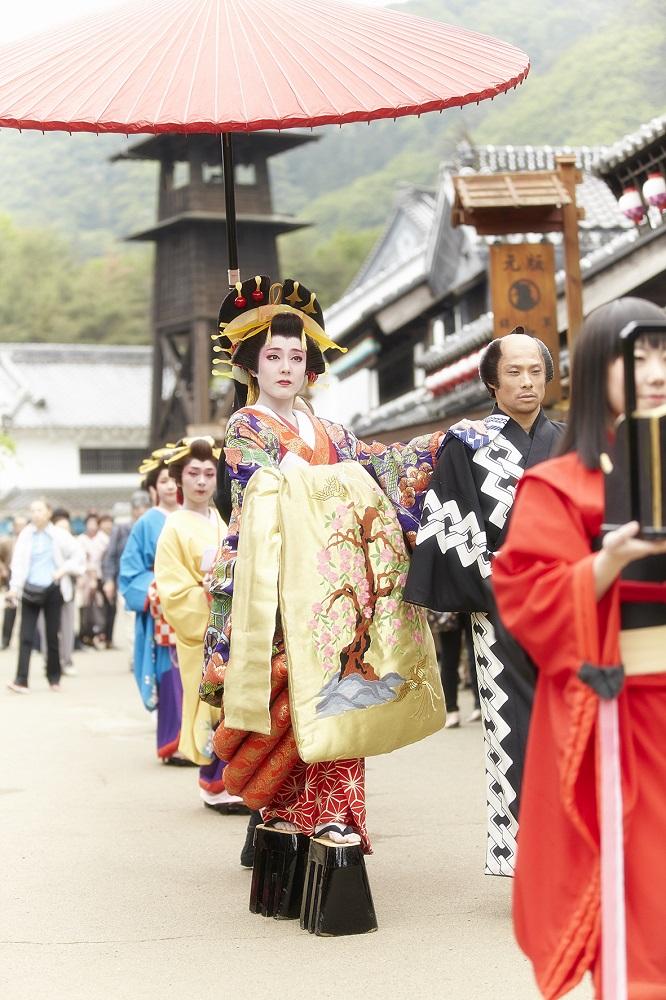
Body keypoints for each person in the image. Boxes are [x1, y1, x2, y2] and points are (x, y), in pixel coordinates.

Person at [200, 275, 446, 863]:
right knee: (293, 696)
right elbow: (263, 494)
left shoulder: (331, 431)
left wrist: (443, 443)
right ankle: (285, 811)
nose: (285, 366)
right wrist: (337, 483)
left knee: (342, 691)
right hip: (281, 589)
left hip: (335, 590)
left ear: (309, 366)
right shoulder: (246, 428)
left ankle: (335, 813)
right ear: (252, 367)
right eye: (272, 356)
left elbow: (385, 468)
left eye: (295, 356)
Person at [492, 298, 666, 998]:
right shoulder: (558, 483)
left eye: (665, 353)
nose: (657, 371)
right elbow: (526, 595)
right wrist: (605, 564)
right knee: (640, 887)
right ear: (601, 366)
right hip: (620, 712)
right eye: (639, 355)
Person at [404, 330, 565, 876]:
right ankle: (527, 858)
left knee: (575, 725)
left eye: (535, 371)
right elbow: (453, 526)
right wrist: (504, 584)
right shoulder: (467, 444)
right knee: (512, 728)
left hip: (570, 608)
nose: (526, 381)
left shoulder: (569, 443)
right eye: (514, 372)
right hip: (502, 609)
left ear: (548, 376)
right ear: (491, 381)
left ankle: (576, 854)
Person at [154, 437, 239, 809]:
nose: (202, 481)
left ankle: (230, 780)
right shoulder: (173, 527)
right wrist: (205, 591)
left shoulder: (221, 522)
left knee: (232, 703)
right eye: (193, 473)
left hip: (228, 626)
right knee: (209, 704)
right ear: (179, 479)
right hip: (201, 631)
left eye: (208, 473)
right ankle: (211, 782)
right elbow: (171, 589)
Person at [119, 463, 183, 761]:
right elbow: (131, 571)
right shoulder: (146, 523)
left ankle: (203, 743)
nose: (171, 486)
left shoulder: (198, 518)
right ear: (153, 488)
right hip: (165, 607)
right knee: (171, 674)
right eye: (164, 481)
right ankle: (175, 742)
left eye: (174, 479)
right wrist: (156, 588)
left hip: (197, 602)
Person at [7, 498, 83, 693]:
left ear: (49, 512)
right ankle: (21, 679)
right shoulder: (26, 535)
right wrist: (14, 587)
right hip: (30, 590)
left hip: (52, 589)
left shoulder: (58, 534)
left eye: (39, 510)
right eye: (32, 511)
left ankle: (54, 677)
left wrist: (63, 570)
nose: (35, 514)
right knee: (26, 636)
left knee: (51, 636)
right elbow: (18, 563)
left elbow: (78, 555)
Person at [102, 492, 150, 650]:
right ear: (132, 509)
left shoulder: (153, 526)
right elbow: (110, 556)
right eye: (137, 507)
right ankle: (134, 654)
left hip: (150, 579)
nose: (141, 511)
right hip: (126, 581)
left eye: (144, 507)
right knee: (130, 617)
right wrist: (108, 580)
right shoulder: (122, 529)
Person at [77, 513, 108, 648]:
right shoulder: (81, 539)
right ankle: (86, 635)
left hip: (102, 576)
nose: (92, 525)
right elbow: (80, 559)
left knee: (101, 606)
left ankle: (101, 634)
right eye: (89, 523)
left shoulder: (103, 539)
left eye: (94, 523)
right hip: (85, 578)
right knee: (85, 607)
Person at [1, 515, 27, 649]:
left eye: (23, 525)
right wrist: (3, 568)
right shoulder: (7, 542)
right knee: (10, 609)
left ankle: (26, 641)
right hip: (11, 577)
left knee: (28, 612)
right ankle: (5, 640)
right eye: (18, 525)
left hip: (27, 579)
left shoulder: (30, 541)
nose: (20, 528)